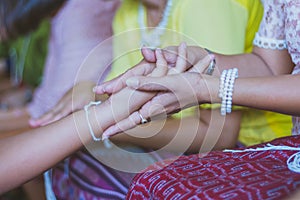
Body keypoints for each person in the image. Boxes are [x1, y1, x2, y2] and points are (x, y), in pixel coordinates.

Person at [92, 0, 300, 198]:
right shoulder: (126, 14)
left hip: (268, 140)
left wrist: (208, 87)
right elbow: (271, 68)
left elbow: (220, 133)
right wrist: (202, 62)